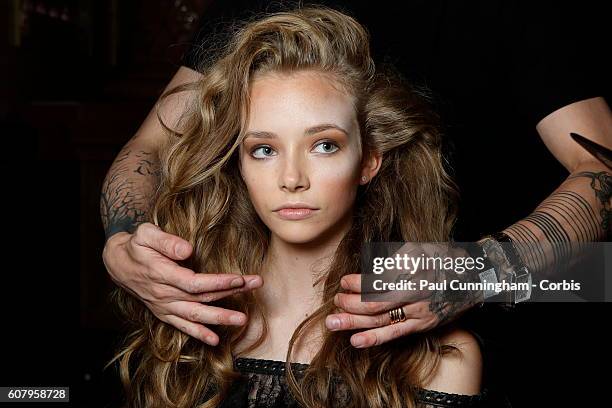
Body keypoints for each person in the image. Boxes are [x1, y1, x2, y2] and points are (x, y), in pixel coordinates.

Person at [101, 0, 611, 350]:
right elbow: (152, 143)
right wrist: (123, 238)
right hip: (314, 314)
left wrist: (483, 270)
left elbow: (605, 165)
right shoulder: (255, 7)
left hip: (531, 307)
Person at [106, 6, 495, 407]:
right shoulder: (187, 330)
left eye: (324, 145)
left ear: (368, 162)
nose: (292, 178)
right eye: (263, 150)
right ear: (237, 164)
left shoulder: (439, 359)